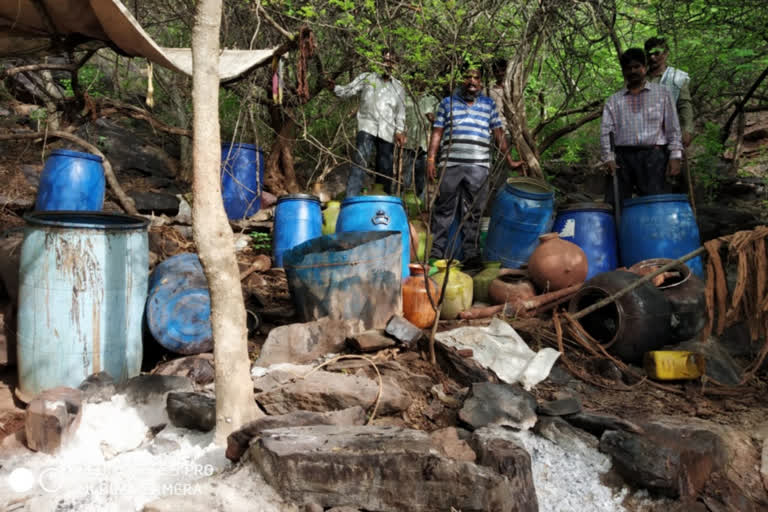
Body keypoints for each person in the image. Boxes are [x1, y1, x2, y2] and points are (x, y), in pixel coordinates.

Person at [426, 61, 524, 269]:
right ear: (461, 79)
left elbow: (498, 133)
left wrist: (509, 159)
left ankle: (470, 254)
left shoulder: (488, 105)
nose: (472, 81)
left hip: (479, 166)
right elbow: (437, 132)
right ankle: (435, 255)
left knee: (474, 212)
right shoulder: (447, 103)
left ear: (481, 82)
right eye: (468, 77)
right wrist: (431, 158)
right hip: (450, 165)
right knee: (444, 209)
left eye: (476, 78)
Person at [600, 48, 683, 206]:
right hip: (621, 158)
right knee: (615, 204)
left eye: (637, 66)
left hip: (654, 155)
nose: (633, 71)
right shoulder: (614, 100)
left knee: (655, 202)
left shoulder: (662, 94)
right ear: (623, 71)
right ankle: (620, 230)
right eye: (628, 68)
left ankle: (654, 231)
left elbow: (673, 127)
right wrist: (608, 158)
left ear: (645, 67)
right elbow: (606, 132)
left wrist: (675, 156)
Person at [327, 49, 406, 196]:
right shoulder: (367, 78)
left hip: (387, 131)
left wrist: (400, 130)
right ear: (379, 61)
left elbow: (400, 111)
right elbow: (348, 90)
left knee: (385, 168)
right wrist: (334, 88)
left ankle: (384, 201)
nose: (388, 65)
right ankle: (351, 199)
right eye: (385, 60)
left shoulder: (399, 86)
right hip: (367, 126)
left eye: (391, 62)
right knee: (360, 161)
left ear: (396, 65)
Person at [644, 37, 694, 147]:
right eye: (649, 54)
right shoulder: (640, 78)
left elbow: (684, 104)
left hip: (668, 136)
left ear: (666, 54)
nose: (652, 57)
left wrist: (687, 129)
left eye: (656, 53)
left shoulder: (677, 77)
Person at [403, 81, 439, 198]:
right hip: (408, 145)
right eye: (416, 78)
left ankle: (421, 206)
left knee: (421, 180)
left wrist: (431, 118)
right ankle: (403, 205)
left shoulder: (432, 100)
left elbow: (439, 123)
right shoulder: (405, 98)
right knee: (405, 180)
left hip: (424, 146)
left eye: (422, 79)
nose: (419, 82)